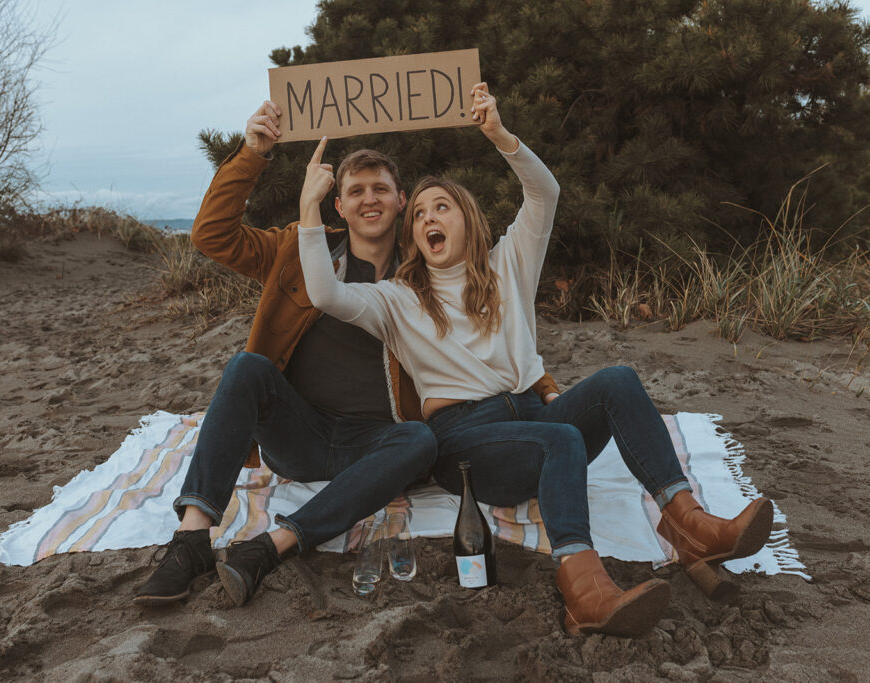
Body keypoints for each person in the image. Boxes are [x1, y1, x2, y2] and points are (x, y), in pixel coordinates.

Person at [297, 83, 773, 637]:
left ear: (466, 220)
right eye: (420, 211)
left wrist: (499, 135)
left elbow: (544, 193)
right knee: (563, 440)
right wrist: (310, 205)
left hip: (531, 415)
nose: (429, 216)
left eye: (442, 206)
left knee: (616, 381)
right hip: (465, 445)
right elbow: (327, 294)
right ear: (415, 232)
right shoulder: (398, 299)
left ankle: (688, 522)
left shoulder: (508, 265)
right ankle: (583, 587)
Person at [133, 101, 559, 607]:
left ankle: (277, 545)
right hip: (300, 433)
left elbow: (493, 338)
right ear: (337, 205)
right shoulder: (297, 249)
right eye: (355, 191)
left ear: (402, 201)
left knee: (419, 440)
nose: (369, 200)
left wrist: (545, 387)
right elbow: (210, 236)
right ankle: (191, 541)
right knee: (248, 367)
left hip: (377, 442)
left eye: (381, 189)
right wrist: (252, 153)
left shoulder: (428, 274)